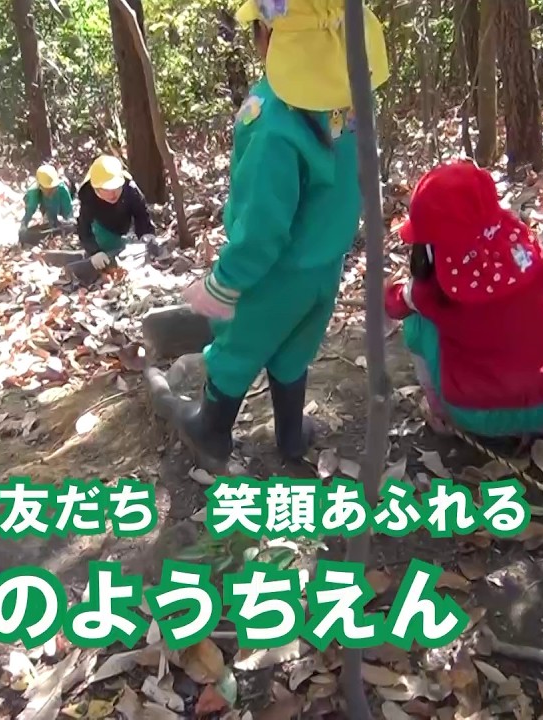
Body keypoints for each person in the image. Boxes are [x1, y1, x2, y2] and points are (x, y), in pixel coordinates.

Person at [153, 0, 389, 471]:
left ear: (268, 36)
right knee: (293, 349)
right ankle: (290, 436)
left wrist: (223, 283)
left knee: (237, 349)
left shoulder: (270, 122)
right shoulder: (350, 101)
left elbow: (262, 229)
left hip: (273, 274)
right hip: (325, 267)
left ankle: (211, 430)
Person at [382, 161, 543, 440]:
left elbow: (395, 305)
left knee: (415, 320)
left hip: (475, 412)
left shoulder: (432, 288)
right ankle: (535, 420)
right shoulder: (531, 254)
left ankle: (439, 410)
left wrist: (388, 291)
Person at [75, 154, 155, 272]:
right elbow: (83, 227)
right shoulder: (88, 195)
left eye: (116, 187)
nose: (113, 194)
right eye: (107, 190)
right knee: (108, 250)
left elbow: (141, 214)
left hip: (123, 220)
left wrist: (146, 233)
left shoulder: (130, 188)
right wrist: (94, 252)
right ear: (96, 188)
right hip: (102, 225)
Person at [19, 164, 74, 243]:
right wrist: (23, 227)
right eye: (47, 189)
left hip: (59, 212)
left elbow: (68, 212)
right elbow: (29, 213)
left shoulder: (62, 189)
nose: (50, 192)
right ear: (40, 186)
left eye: (53, 189)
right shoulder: (33, 192)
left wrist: (67, 222)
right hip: (45, 209)